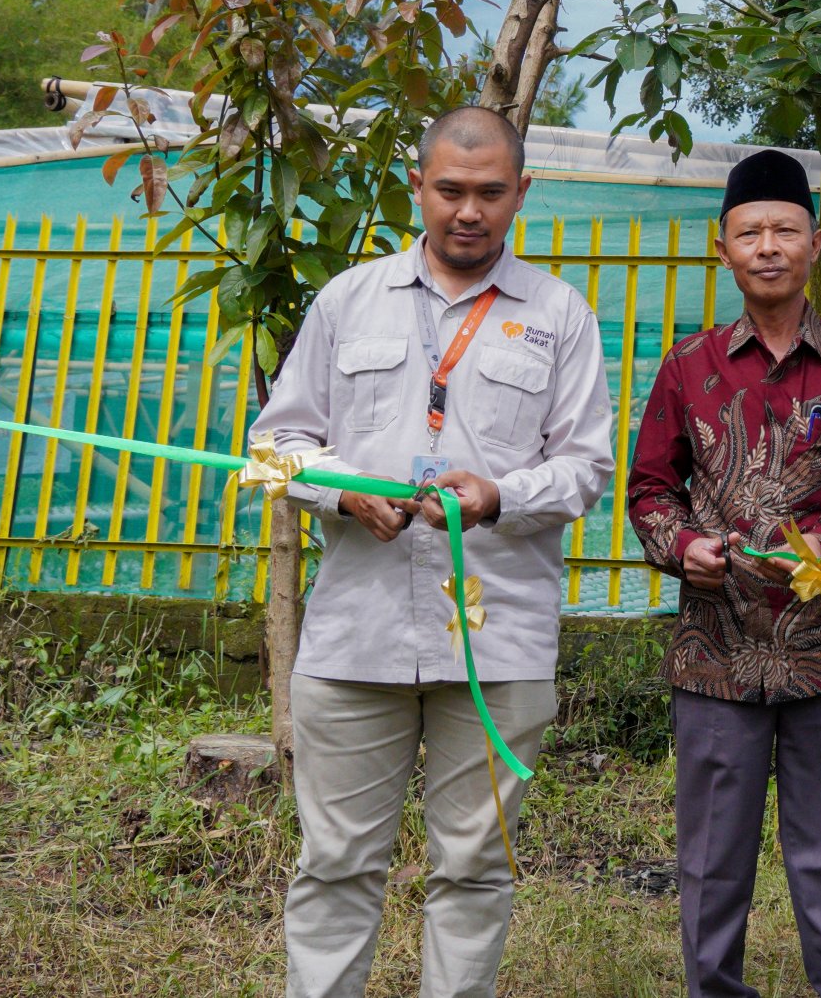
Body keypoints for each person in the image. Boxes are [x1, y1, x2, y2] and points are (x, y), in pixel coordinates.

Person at [263, 105, 615, 998]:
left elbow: (585, 467)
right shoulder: (348, 299)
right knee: (334, 864)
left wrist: (500, 496)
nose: (469, 210)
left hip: (497, 642)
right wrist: (343, 491)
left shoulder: (560, 315)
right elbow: (277, 445)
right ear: (418, 187)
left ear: (521, 193)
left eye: (490, 192)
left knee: (473, 870)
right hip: (354, 638)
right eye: (449, 189)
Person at [627, 148, 821, 998]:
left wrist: (820, 543)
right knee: (711, 864)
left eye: (786, 228)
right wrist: (683, 548)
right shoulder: (688, 364)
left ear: (815, 244)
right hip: (715, 655)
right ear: (725, 247)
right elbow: (648, 487)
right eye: (751, 231)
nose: (769, 245)